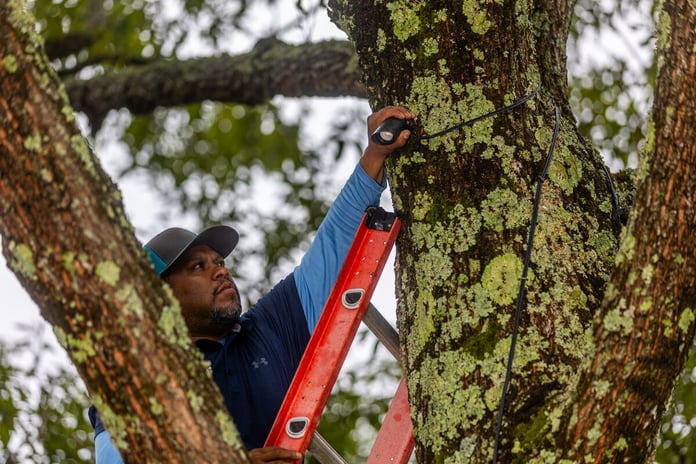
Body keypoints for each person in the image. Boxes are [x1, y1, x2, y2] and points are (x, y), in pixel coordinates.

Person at [88, 106, 414, 463]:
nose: (220, 272)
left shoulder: (265, 332)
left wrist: (374, 155)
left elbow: (331, 250)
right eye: (199, 266)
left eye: (220, 262)